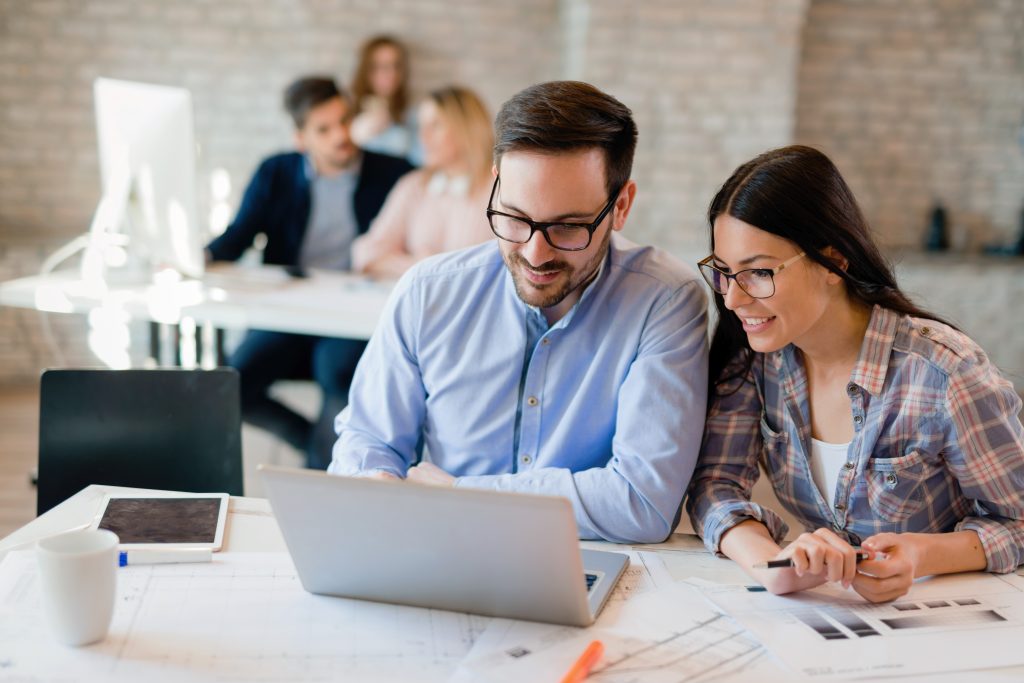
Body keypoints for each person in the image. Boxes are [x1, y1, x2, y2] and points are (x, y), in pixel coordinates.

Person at [328, 81, 709, 544]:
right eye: (514, 217)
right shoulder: (428, 292)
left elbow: (643, 501)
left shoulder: (665, 302)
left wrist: (460, 495)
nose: (535, 253)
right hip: (440, 545)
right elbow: (367, 440)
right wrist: (373, 483)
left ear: (621, 206)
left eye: (568, 227)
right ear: (495, 184)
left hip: (578, 557)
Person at [686, 145, 1024, 602]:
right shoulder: (755, 363)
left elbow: (1017, 522)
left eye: (759, 273)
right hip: (833, 620)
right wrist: (772, 565)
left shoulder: (945, 374)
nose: (732, 300)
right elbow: (715, 487)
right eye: (724, 273)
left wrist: (921, 555)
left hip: (944, 620)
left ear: (834, 262)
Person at [206, 76, 412, 469]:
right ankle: (317, 449)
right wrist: (201, 255)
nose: (341, 135)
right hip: (291, 311)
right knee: (229, 386)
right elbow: (239, 235)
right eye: (324, 129)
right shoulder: (276, 172)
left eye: (344, 121)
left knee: (338, 373)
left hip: (352, 315)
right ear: (301, 138)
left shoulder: (394, 172)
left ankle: (322, 468)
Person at [352, 86, 494, 279]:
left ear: (466, 128)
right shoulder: (413, 185)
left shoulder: (501, 191)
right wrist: (419, 266)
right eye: (421, 126)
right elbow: (365, 253)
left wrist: (427, 267)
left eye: (435, 125)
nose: (423, 136)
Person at [349, 35, 421, 164]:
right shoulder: (348, 112)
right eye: (382, 66)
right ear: (367, 70)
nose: (391, 74)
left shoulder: (410, 114)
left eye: (396, 66)